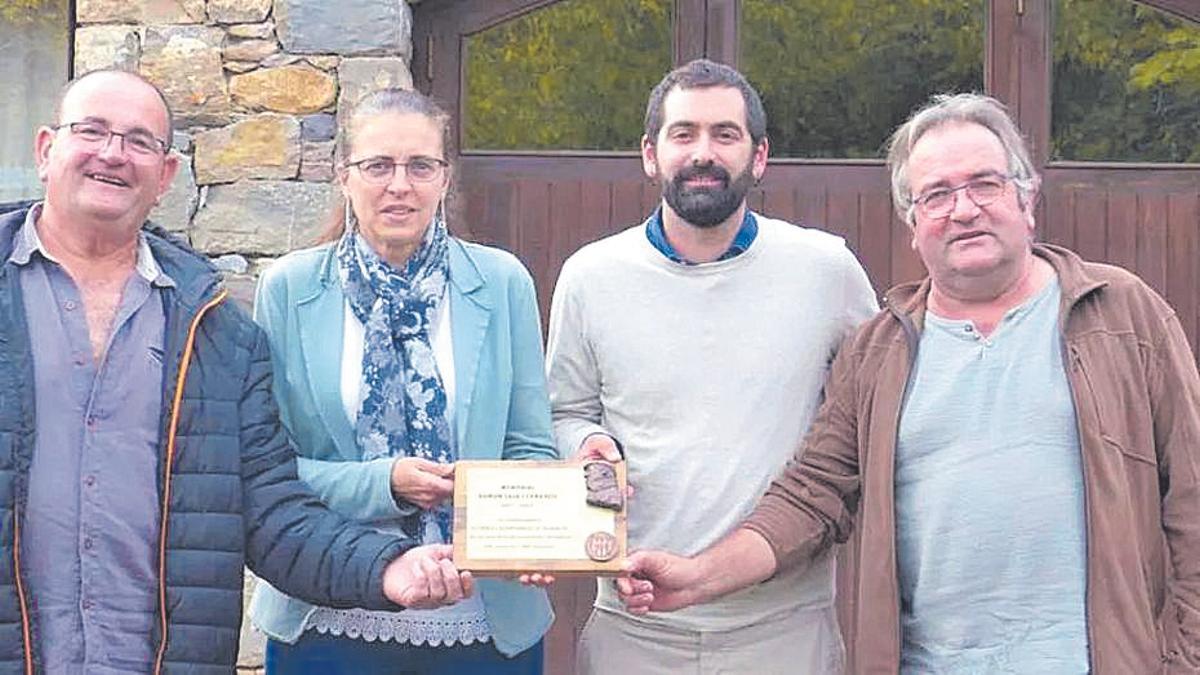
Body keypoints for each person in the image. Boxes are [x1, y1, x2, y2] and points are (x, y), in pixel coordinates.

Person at [619, 93, 1200, 673]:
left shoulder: (1124, 316)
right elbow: (811, 495)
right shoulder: (879, 352)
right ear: (913, 222)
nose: (964, 209)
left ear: (1027, 198)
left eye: (985, 184)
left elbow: (1193, 501)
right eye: (938, 195)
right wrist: (696, 577)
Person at [0, 69, 474, 673]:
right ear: (46, 149)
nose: (113, 154)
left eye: (140, 141)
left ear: (166, 174)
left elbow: (271, 513)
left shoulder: (218, 334)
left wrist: (386, 565)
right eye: (91, 130)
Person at [545, 59, 877, 674]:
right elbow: (565, 409)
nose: (704, 152)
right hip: (634, 625)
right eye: (684, 134)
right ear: (650, 154)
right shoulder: (590, 276)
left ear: (759, 156)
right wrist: (589, 443)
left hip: (784, 628)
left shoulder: (827, 271)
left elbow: (874, 412)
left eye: (725, 134)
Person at [247, 88, 557, 674]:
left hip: (483, 618)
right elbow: (272, 471)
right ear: (344, 177)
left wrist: (536, 533)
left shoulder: (501, 281)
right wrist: (384, 483)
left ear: (444, 179)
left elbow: (530, 447)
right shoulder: (289, 289)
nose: (399, 184)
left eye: (420, 166)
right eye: (378, 165)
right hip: (327, 607)